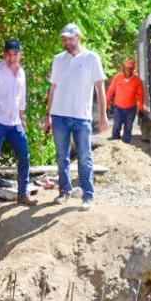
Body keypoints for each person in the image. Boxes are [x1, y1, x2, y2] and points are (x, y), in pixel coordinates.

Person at [44, 23, 109, 210]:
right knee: (61, 156)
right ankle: (65, 191)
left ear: (78, 37)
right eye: (64, 38)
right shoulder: (58, 59)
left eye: (69, 38)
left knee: (84, 156)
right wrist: (48, 115)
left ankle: (88, 196)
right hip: (59, 116)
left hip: (82, 116)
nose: (66, 42)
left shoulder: (91, 58)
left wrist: (103, 115)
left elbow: (100, 87)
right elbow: (53, 88)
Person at [0, 39, 38, 213]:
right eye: (9, 54)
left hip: (15, 122)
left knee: (24, 156)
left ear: (20, 54)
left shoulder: (22, 73)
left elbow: (21, 98)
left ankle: (22, 194)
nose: (12, 57)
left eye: (15, 54)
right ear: (5, 54)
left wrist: (23, 117)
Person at [106, 58, 145, 143]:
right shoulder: (117, 77)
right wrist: (106, 105)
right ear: (124, 68)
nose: (129, 70)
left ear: (133, 69)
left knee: (128, 129)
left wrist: (141, 108)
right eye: (127, 68)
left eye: (131, 69)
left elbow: (140, 95)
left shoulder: (137, 81)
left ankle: (125, 148)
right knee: (116, 127)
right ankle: (115, 145)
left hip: (131, 109)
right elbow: (110, 91)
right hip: (118, 108)